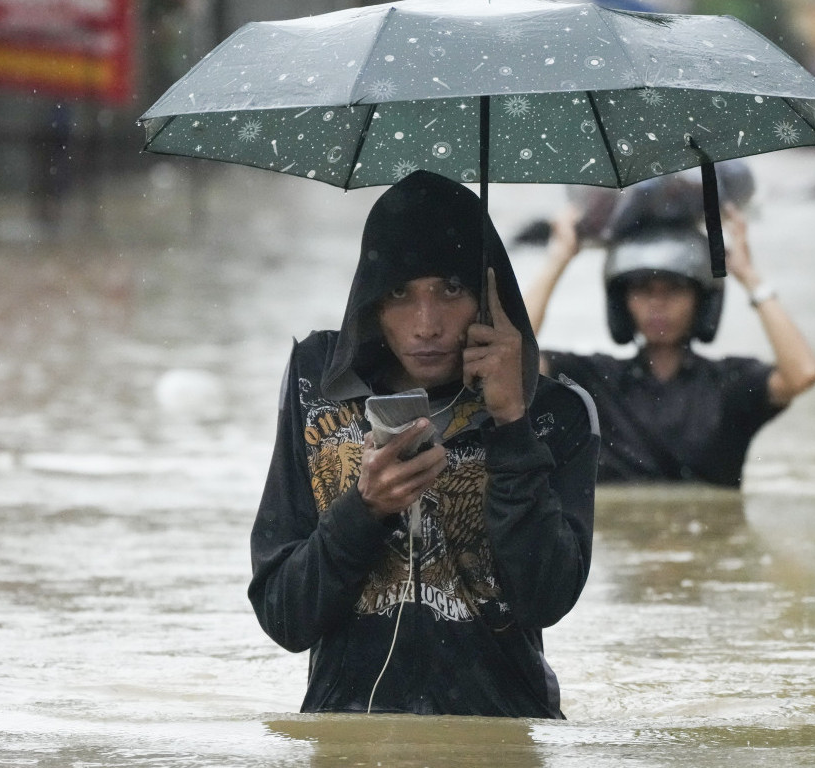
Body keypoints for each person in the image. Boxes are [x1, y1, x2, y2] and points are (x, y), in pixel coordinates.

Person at [249, 170, 599, 718]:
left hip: (498, 736)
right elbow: (285, 618)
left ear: (490, 295)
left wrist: (510, 423)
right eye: (399, 294)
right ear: (369, 302)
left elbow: (545, 598)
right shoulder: (316, 386)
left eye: (451, 290)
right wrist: (363, 510)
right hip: (349, 738)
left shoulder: (556, 414)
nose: (426, 324)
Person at [524, 201, 815, 488]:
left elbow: (803, 373)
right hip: (622, 539)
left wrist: (749, 277)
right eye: (643, 289)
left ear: (700, 301)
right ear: (622, 302)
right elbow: (515, 360)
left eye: (674, 289)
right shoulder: (595, 382)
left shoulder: (729, 385)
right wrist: (558, 259)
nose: (657, 305)